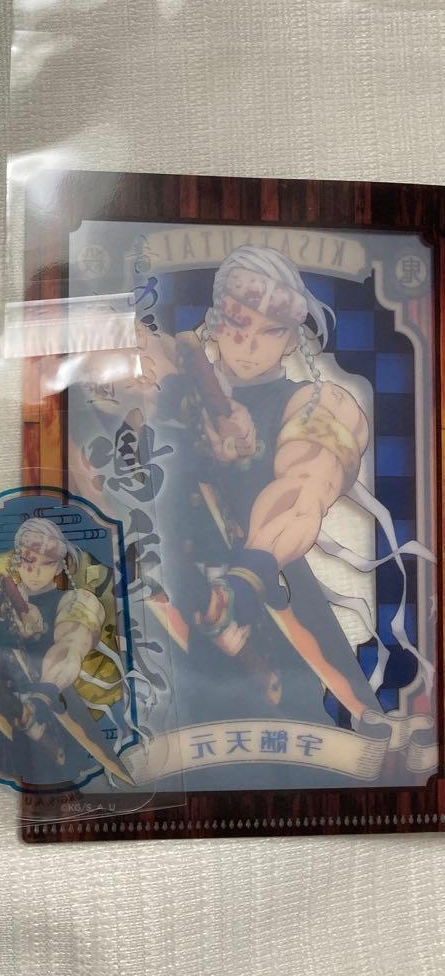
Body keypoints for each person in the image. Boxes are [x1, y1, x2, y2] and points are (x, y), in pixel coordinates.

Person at [140, 244, 422, 735]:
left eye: (270, 330)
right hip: (166, 602)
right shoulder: (171, 380)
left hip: (267, 615)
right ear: (214, 321)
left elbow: (305, 487)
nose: (249, 344)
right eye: (238, 324)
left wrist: (247, 580)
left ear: (292, 339)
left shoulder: (318, 405)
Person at [0, 517, 117, 784]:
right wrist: (3, 602)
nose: (36, 571)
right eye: (29, 560)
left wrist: (43, 695)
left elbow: (71, 646)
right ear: (18, 559)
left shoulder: (75, 601)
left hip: (48, 727)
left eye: (47, 563)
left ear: (60, 566)